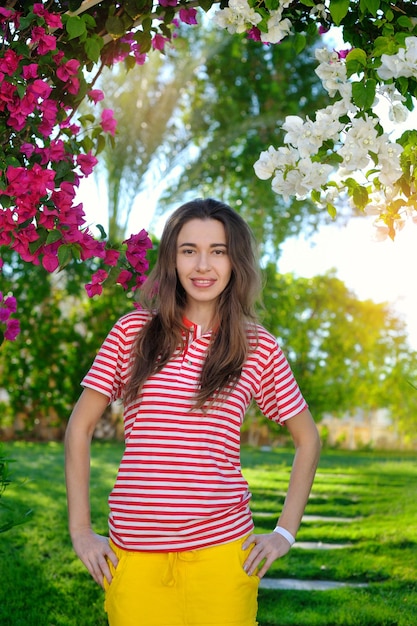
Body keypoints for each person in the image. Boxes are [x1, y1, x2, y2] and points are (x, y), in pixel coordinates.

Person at [65, 197, 321, 626]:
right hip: (134, 555)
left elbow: (308, 439)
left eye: (217, 251)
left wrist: (283, 533)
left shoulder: (258, 346)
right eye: (189, 250)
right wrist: (80, 531)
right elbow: (80, 427)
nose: (203, 265)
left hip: (223, 557)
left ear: (235, 260)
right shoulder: (132, 333)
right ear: (172, 259)